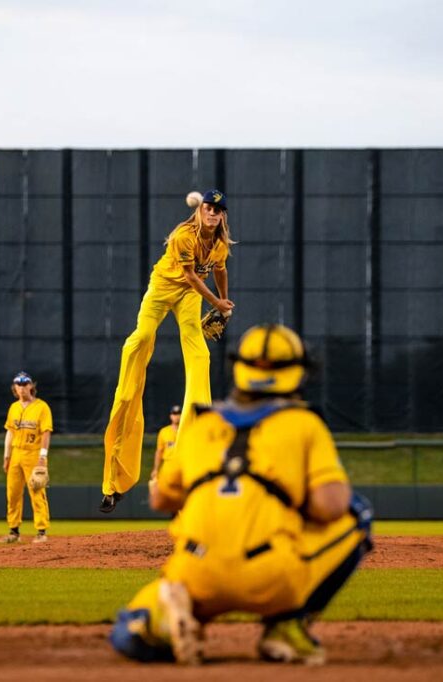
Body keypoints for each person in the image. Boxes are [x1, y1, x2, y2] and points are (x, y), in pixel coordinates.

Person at [109, 323, 373, 666]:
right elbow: (331, 507)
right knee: (358, 512)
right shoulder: (304, 423)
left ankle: (160, 620)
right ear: (297, 372)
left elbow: (161, 500)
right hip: (270, 574)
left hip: (196, 570)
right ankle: (288, 627)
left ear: (240, 368)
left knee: (127, 634)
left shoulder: (202, 424)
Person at [100, 190, 236, 514]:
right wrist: (216, 302)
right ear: (201, 209)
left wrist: (224, 303)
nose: (213, 213)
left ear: (222, 215)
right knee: (141, 338)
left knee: (200, 356)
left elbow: (219, 270)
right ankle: (114, 478)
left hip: (190, 296)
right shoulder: (183, 236)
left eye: (218, 209)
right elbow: (189, 275)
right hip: (162, 289)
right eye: (209, 207)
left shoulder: (219, 243)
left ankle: (191, 439)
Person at [0, 372, 54, 544]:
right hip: (16, 454)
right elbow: (10, 432)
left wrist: (43, 456)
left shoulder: (41, 407)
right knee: (12, 493)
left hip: (34, 453)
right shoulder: (13, 407)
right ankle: (14, 531)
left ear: (31, 386)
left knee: (37, 491)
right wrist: (6, 456)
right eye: (18, 385)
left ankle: (41, 531)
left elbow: (46, 432)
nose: (21, 388)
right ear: (14, 388)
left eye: (24, 384)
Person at [151, 404, 182, 481]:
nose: (177, 416)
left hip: (182, 465)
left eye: (179, 413)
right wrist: (156, 469)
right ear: (170, 416)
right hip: (168, 464)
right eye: (174, 414)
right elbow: (159, 451)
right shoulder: (164, 432)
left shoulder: (187, 430)